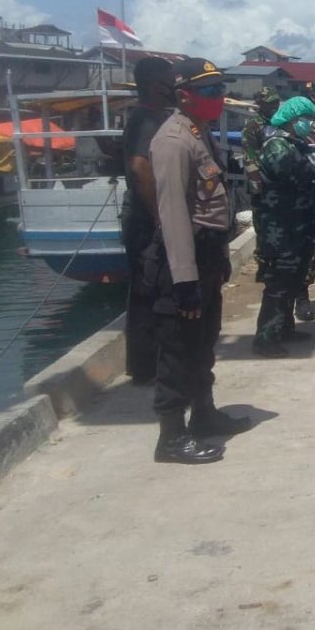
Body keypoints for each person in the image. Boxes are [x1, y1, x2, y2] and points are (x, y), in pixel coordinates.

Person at [148, 58, 251, 464]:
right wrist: (184, 278)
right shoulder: (173, 140)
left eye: (220, 88)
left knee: (204, 341)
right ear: (184, 95)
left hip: (206, 254)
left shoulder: (200, 133)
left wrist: (220, 256)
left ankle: (204, 415)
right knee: (177, 349)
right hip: (183, 259)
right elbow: (173, 213)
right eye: (209, 90)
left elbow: (214, 205)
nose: (218, 97)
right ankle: (171, 437)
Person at [120, 57, 176, 385]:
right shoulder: (144, 120)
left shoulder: (159, 118)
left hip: (152, 216)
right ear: (157, 84)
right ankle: (144, 368)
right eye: (171, 80)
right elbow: (140, 168)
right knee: (146, 290)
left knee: (157, 289)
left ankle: (154, 359)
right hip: (145, 220)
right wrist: (160, 217)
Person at [251, 97, 315, 357]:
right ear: (292, 119)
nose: (309, 124)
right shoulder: (277, 146)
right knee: (279, 282)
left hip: (296, 224)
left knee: (294, 278)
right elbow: (296, 175)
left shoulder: (294, 143)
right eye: (305, 119)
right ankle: (265, 338)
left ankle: (285, 328)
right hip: (280, 227)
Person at [241, 86, 280, 197]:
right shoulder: (253, 126)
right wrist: (255, 183)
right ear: (261, 104)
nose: (274, 106)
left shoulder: (281, 121)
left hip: (280, 175)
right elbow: (250, 156)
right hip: (263, 177)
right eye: (270, 103)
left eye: (276, 102)